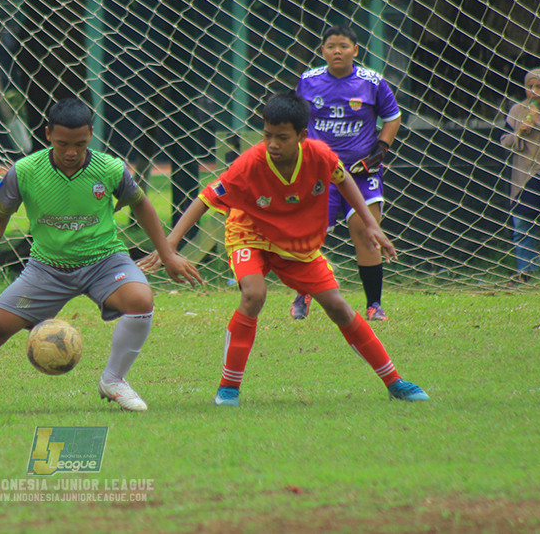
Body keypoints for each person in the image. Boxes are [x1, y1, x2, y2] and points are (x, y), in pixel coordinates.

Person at [0, 97, 203, 413]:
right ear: (48, 134)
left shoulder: (111, 169)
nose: (72, 152)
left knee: (140, 300)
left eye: (80, 143)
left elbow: (141, 205)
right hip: (47, 269)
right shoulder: (25, 171)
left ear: (91, 133)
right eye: (63, 144)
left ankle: (114, 380)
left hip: (104, 261)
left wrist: (167, 254)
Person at [140, 92, 428, 407]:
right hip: (250, 234)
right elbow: (205, 198)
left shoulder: (320, 155)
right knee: (254, 293)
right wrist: (169, 246)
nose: (272, 144)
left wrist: (369, 223)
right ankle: (228, 389)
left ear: (302, 136)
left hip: (297, 245)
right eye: (267, 136)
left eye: (281, 137)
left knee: (338, 306)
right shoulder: (249, 163)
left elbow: (344, 181)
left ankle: (394, 381)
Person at [289, 24, 402, 322]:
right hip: (319, 174)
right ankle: (303, 294)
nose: (337, 51)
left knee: (366, 233)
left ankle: (374, 305)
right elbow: (295, 119)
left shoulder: (373, 82)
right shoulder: (308, 80)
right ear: (322, 51)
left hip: (361, 174)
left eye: (343, 46)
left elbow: (392, 117)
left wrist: (381, 148)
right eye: (330, 46)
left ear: (355, 50)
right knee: (309, 237)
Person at [499, 68, 540, 285]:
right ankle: (524, 273)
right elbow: (504, 140)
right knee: (521, 224)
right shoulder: (516, 111)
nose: (534, 91)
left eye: (539, 86)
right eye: (529, 87)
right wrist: (522, 130)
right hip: (524, 175)